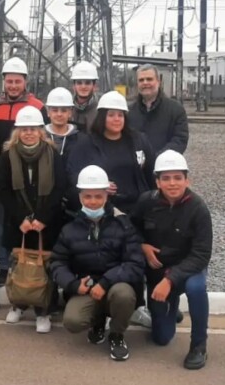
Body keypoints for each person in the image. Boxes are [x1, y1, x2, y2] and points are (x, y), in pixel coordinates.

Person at [51, 165, 145, 362]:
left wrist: (105, 282)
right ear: (80, 197)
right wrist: (74, 285)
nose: (92, 202)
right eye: (87, 196)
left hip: (115, 285)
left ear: (106, 196)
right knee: (73, 321)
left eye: (98, 196)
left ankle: (117, 335)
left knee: (124, 295)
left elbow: (135, 264)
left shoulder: (124, 224)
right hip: (87, 287)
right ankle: (98, 321)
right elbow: (57, 262)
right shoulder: (70, 229)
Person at [131, 150, 212, 370]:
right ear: (157, 182)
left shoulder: (198, 209)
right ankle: (170, 308)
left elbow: (201, 254)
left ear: (187, 180)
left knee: (197, 288)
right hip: (157, 271)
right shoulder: (146, 202)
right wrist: (142, 245)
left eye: (178, 177)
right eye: (166, 178)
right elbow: (130, 229)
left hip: (188, 270)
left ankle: (199, 345)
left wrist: (170, 280)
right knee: (161, 338)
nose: (172, 183)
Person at [0, 106, 66, 331]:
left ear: (40, 131)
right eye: (24, 129)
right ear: (18, 131)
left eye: (33, 129)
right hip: (19, 225)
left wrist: (43, 218)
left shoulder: (53, 154)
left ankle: (43, 310)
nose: (29, 133)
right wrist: (21, 219)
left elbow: (60, 187)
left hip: (47, 223)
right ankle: (17, 305)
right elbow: (3, 190)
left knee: (45, 267)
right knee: (19, 265)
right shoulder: (7, 156)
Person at [0, 56, 47, 287]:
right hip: (2, 176)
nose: (13, 86)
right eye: (9, 81)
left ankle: (28, 267)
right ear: (3, 81)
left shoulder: (37, 107)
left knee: (27, 224)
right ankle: (4, 268)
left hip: (29, 178)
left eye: (17, 81)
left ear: (25, 82)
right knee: (2, 227)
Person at [66, 91, 155, 215]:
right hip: (103, 211)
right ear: (102, 117)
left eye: (120, 115)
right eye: (111, 115)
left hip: (137, 209)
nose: (116, 119)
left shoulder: (138, 140)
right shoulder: (86, 144)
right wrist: (96, 185)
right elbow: (73, 175)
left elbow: (151, 174)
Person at [128, 64, 189, 155]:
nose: (145, 83)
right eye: (141, 80)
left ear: (158, 82)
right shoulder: (129, 112)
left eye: (149, 79)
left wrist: (158, 158)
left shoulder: (176, 110)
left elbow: (179, 140)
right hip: (135, 163)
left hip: (164, 162)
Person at [44, 87, 81, 165]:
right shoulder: (40, 138)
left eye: (64, 110)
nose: (59, 114)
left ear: (70, 113)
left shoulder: (80, 140)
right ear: (48, 112)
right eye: (55, 110)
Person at [69, 61, 99, 133]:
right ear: (74, 86)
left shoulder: (100, 112)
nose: (83, 86)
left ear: (94, 86)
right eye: (79, 83)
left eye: (87, 83)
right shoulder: (67, 110)